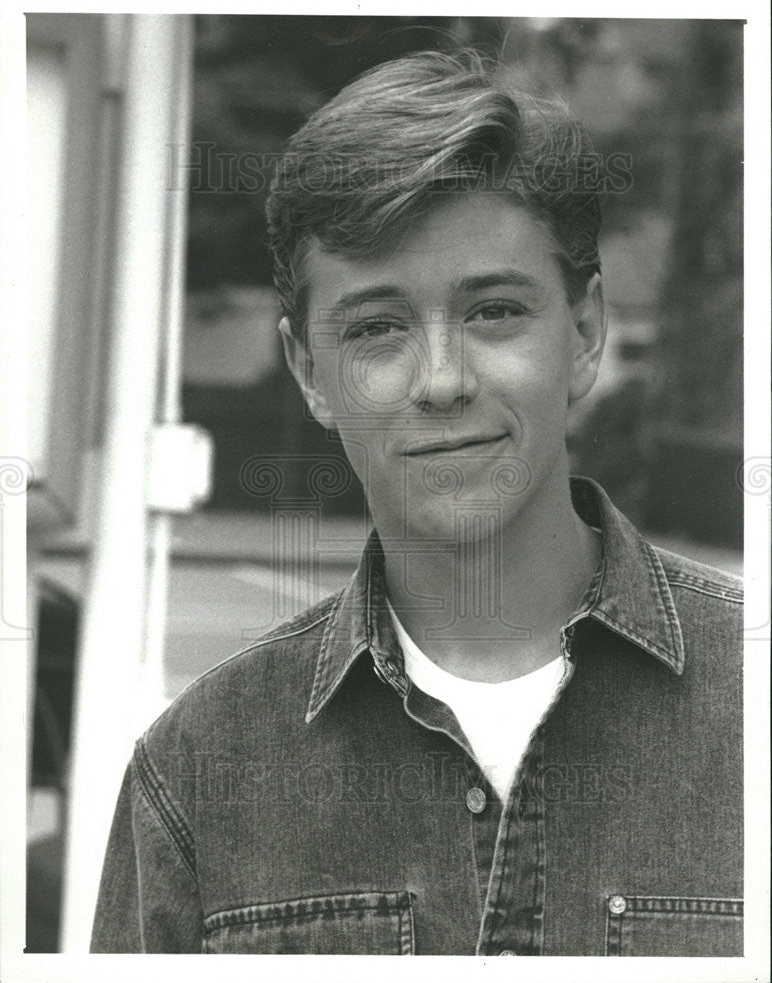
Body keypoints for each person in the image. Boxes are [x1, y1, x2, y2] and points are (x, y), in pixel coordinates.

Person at [91, 50, 743, 956]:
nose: (439, 381)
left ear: (586, 332)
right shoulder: (199, 771)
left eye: (493, 312)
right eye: (377, 328)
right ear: (310, 373)